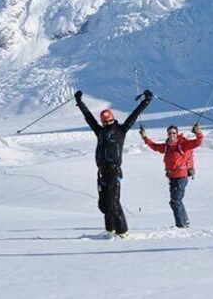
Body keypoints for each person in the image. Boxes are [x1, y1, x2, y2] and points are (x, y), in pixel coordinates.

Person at [75, 88, 153, 239]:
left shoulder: (121, 130)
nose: (107, 122)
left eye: (109, 120)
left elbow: (134, 115)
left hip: (113, 171)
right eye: (105, 121)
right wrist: (79, 102)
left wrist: (146, 101)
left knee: (113, 202)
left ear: (113, 118)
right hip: (102, 171)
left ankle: (123, 232)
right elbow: (89, 117)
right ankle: (110, 230)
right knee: (104, 204)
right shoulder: (100, 132)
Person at [140, 123, 204, 228]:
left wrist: (198, 132)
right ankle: (185, 222)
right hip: (172, 176)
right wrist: (144, 137)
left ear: (177, 133)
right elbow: (155, 146)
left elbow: (198, 142)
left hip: (181, 176)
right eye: (170, 133)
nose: (172, 135)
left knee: (175, 202)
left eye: (174, 133)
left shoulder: (183, 144)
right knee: (177, 201)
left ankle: (180, 226)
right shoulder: (166, 146)